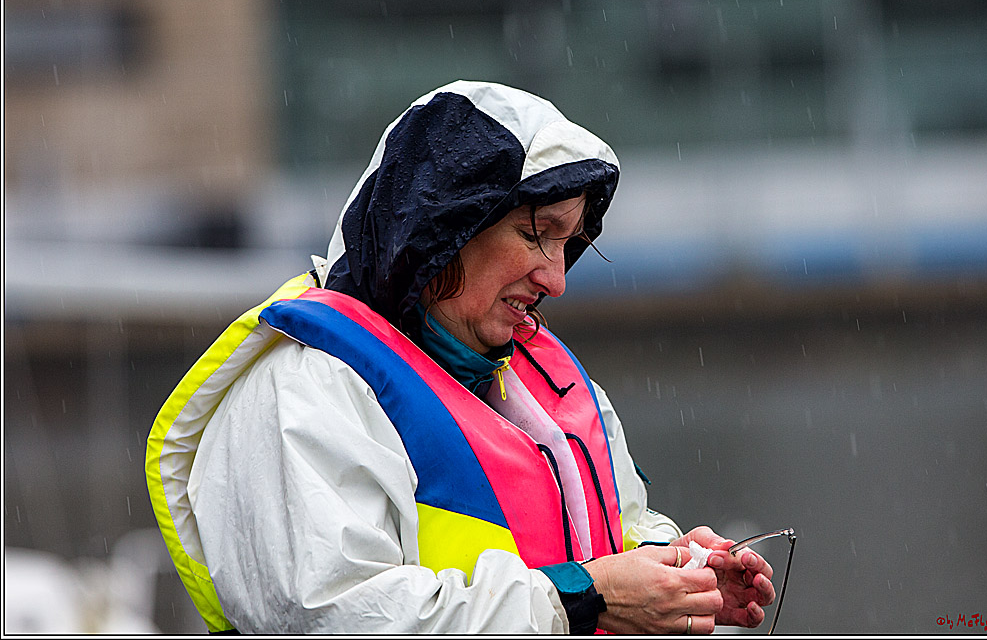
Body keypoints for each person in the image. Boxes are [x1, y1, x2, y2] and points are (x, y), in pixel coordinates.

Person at [146, 80, 776, 634]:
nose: (556, 279)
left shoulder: (539, 380)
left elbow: (611, 535)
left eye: (567, 243)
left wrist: (676, 571)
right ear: (443, 228)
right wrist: (586, 599)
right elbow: (337, 617)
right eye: (535, 234)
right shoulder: (305, 388)